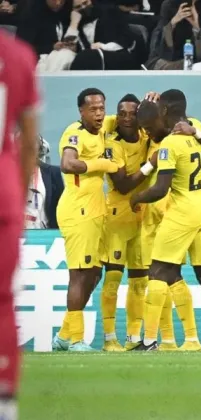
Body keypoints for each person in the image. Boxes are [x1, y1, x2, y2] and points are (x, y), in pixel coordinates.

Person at [132, 90, 201, 351]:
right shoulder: (197, 128)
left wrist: (136, 198)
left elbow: (160, 189)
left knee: (157, 272)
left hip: (183, 211)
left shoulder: (170, 144)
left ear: (165, 111)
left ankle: (148, 341)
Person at [51, 88, 119, 352]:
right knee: (79, 275)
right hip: (78, 210)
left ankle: (65, 335)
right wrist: (100, 165)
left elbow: (129, 116)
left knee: (93, 273)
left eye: (102, 108)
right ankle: (77, 339)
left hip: (96, 210)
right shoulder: (75, 134)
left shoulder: (103, 127)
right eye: (93, 109)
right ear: (81, 111)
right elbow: (68, 164)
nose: (99, 113)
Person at [0, 30, 40, 420]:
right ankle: (5, 400)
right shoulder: (17, 55)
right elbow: (29, 140)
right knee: (2, 304)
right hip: (3, 194)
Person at [99, 94, 154, 352]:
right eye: (122, 114)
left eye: (133, 114)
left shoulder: (146, 136)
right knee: (112, 279)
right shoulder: (113, 144)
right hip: (117, 216)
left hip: (142, 216)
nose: (128, 118)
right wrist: (148, 166)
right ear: (117, 116)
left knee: (140, 281)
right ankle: (110, 338)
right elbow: (121, 186)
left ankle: (133, 338)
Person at [26, 134, 64, 229]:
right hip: (16, 235)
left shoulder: (53, 173)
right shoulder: (7, 175)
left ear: (39, 150)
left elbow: (61, 206)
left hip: (47, 235)